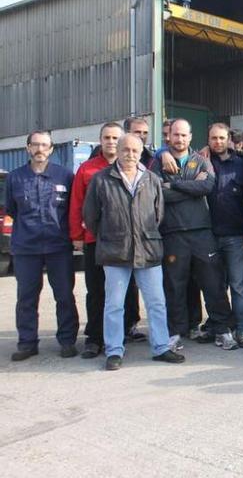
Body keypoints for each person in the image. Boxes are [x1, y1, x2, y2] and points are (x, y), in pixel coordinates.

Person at [83, 134, 185, 370]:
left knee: (157, 303)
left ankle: (161, 347)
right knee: (114, 304)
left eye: (135, 151)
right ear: (117, 151)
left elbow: (158, 215)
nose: (130, 154)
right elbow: (91, 217)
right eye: (125, 150)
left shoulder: (151, 179)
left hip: (148, 249)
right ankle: (114, 351)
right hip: (114, 250)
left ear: (141, 153)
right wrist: (114, 235)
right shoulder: (101, 180)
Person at [151, 119, 238, 351]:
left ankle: (222, 329)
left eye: (183, 135)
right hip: (173, 234)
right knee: (174, 286)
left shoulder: (202, 161)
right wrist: (188, 187)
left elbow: (206, 187)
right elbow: (157, 193)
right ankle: (175, 332)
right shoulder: (158, 162)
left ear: (190, 137)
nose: (179, 139)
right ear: (169, 136)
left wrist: (174, 185)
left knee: (214, 283)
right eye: (175, 135)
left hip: (202, 233)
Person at [70, 122, 143, 359]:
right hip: (95, 241)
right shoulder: (87, 170)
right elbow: (77, 205)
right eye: (107, 138)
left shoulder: (135, 168)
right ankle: (94, 338)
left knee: (125, 291)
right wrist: (77, 237)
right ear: (100, 141)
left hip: (126, 243)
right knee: (96, 290)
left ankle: (123, 333)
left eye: (115, 138)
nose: (111, 142)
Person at [6, 131, 79, 361]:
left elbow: (71, 210)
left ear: (51, 149)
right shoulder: (15, 178)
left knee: (64, 296)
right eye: (35, 145)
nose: (40, 149)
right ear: (28, 148)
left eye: (44, 145)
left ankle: (67, 341)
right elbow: (11, 209)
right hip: (26, 248)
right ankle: (27, 343)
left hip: (59, 247)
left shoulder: (65, 176)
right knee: (26, 297)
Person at [207, 122, 243, 348]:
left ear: (228, 139)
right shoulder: (201, 162)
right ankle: (220, 327)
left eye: (221, 138)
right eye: (213, 138)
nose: (217, 142)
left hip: (236, 235)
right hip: (208, 235)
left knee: (238, 284)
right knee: (215, 285)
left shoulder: (242, 163)